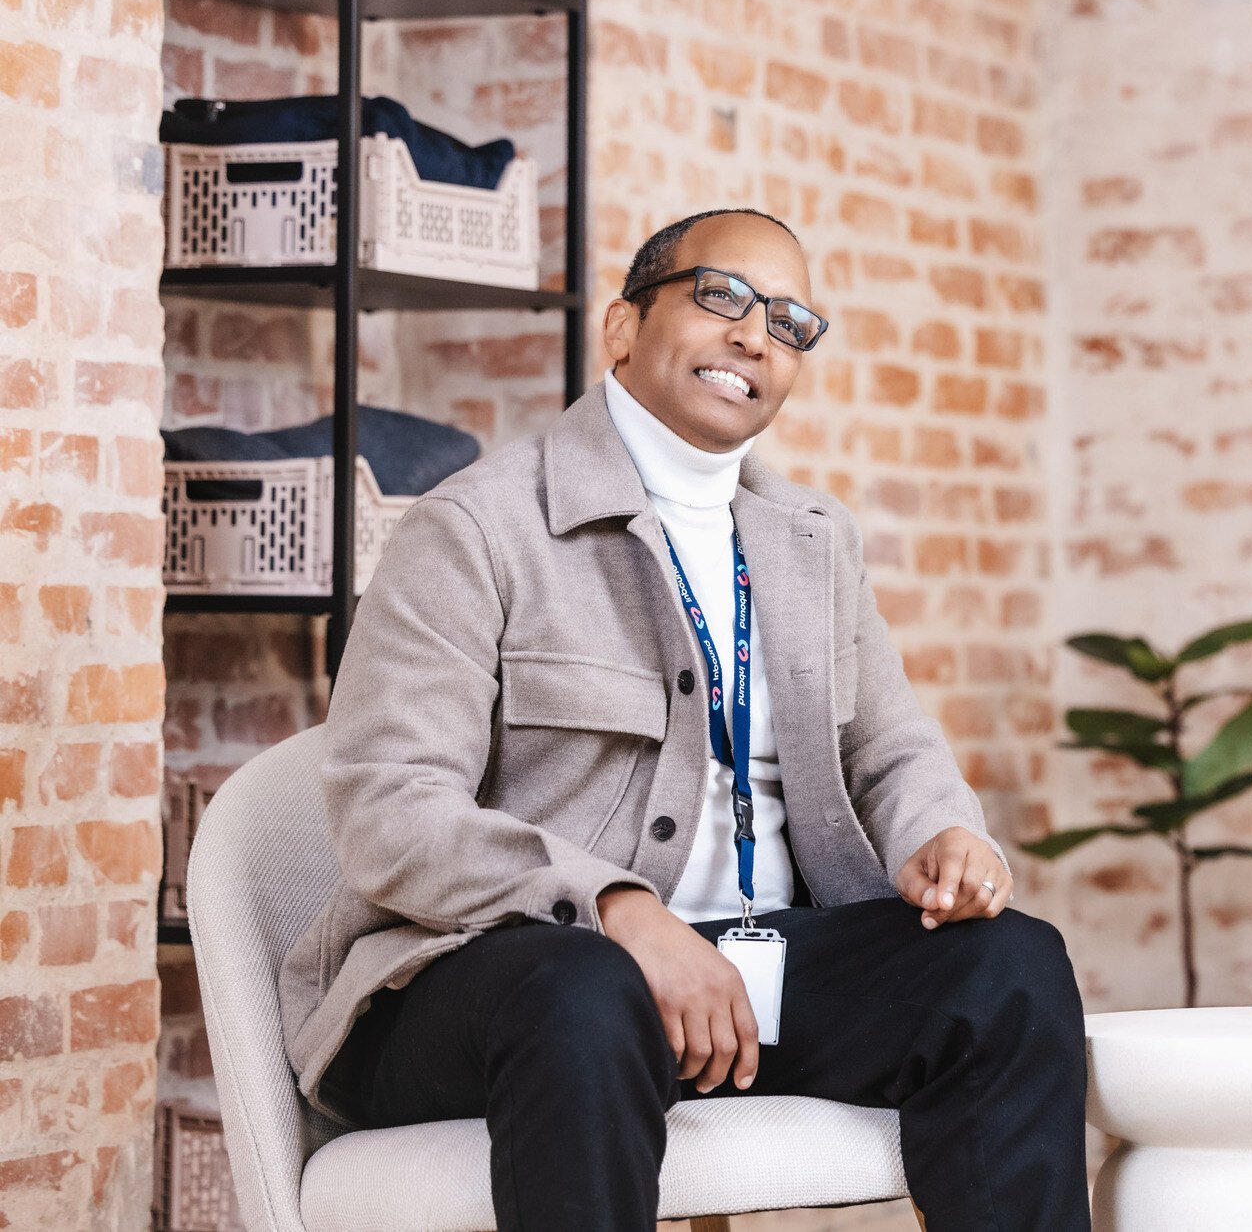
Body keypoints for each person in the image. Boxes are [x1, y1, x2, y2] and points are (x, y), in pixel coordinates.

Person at [278, 209, 1091, 1232]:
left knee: (1005, 966)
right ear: (621, 326)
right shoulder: (477, 528)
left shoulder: (812, 540)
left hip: (748, 970)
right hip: (505, 984)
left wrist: (942, 830)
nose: (756, 335)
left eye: (790, 323)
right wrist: (618, 911)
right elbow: (389, 811)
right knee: (586, 990)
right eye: (721, 296)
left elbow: (884, 744)